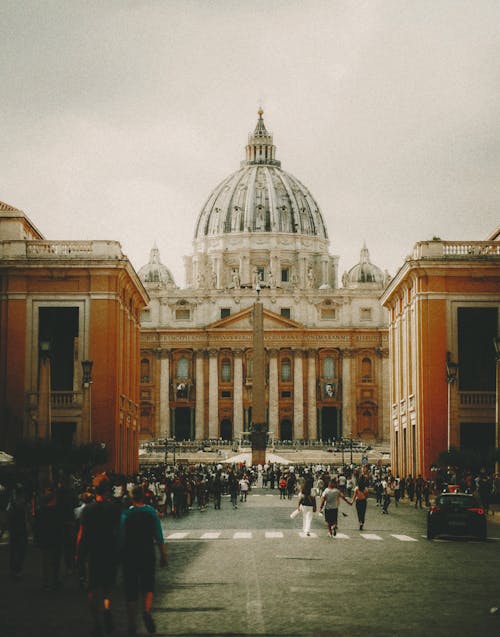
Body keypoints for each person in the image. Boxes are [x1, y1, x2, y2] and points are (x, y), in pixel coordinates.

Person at [76, 474, 122, 636]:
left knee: (92, 589)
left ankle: (96, 622)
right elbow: (119, 532)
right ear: (108, 491)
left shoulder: (87, 510)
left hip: (93, 552)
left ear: (95, 491)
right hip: (110, 551)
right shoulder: (114, 509)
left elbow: (81, 534)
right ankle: (107, 608)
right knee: (108, 587)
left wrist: (79, 555)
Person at [120, 485, 168, 636]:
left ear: (132, 497)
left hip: (129, 555)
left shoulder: (126, 514)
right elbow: (159, 536)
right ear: (144, 496)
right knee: (148, 585)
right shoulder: (151, 512)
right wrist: (163, 555)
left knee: (131, 589)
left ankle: (132, 624)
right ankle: (146, 611)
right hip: (147, 552)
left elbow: (121, 537)